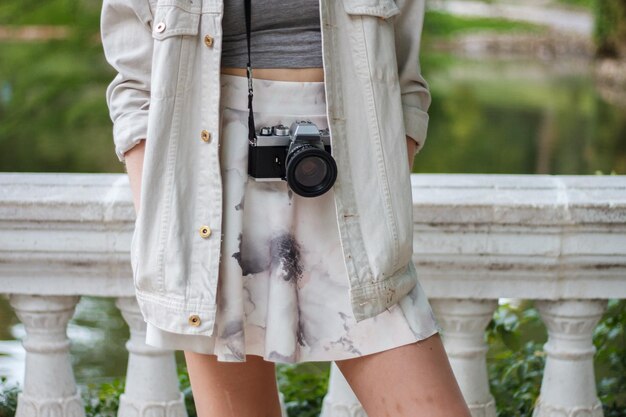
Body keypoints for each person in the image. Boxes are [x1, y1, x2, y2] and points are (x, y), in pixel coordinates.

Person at [101, 0, 472, 416]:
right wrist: (167, 221)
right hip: (211, 192)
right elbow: (136, 89)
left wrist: (381, 206)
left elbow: (405, 85)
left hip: (352, 183)